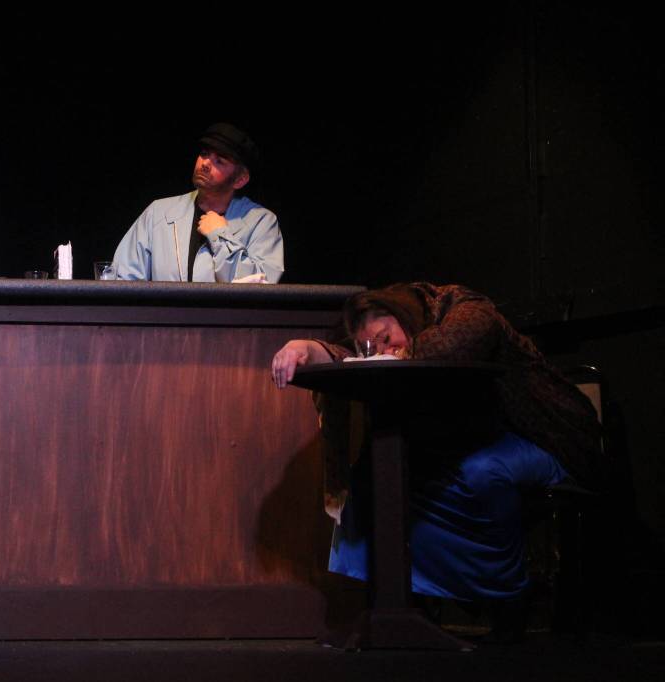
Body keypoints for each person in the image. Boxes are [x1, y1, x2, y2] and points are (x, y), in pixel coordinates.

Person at [271, 282, 604, 635]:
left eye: (386, 337)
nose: (385, 350)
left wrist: (382, 356)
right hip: (476, 440)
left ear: (403, 315)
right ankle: (413, 602)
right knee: (380, 477)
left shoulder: (464, 306)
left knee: (481, 472)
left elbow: (460, 341)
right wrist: (305, 347)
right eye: (372, 345)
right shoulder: (404, 343)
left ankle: (507, 596)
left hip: (543, 434)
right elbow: (351, 357)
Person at [112, 123, 284, 283]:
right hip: (165, 316)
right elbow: (123, 279)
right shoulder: (159, 213)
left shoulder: (262, 222)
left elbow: (261, 287)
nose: (205, 163)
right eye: (204, 154)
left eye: (220, 161)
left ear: (240, 180)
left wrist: (219, 235)